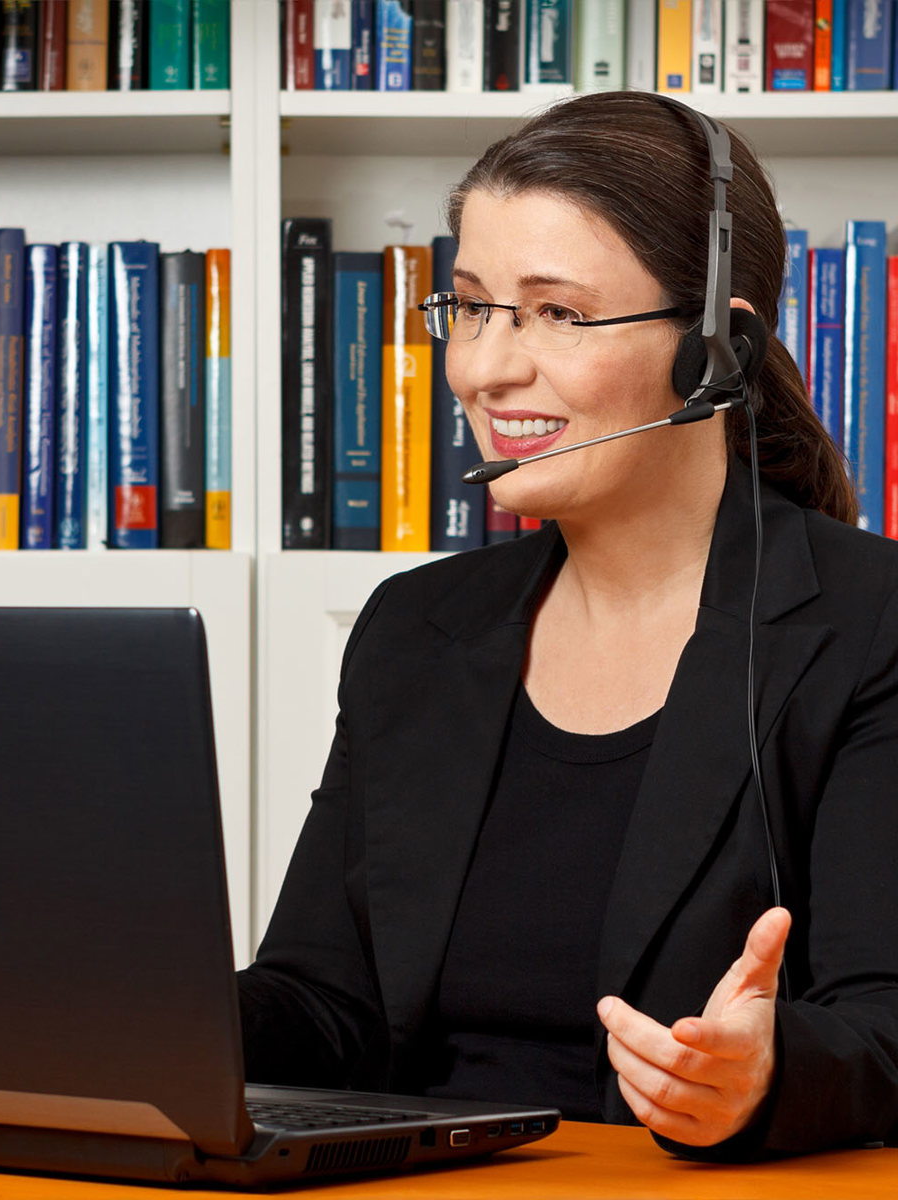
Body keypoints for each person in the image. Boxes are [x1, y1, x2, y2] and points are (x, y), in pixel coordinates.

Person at [237, 90, 898, 1161]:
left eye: (558, 313)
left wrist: (765, 1072)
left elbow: (886, 1027)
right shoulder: (415, 628)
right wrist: (119, 1007)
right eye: (472, 306)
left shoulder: (870, 623)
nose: (486, 369)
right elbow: (329, 1006)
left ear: (713, 352)